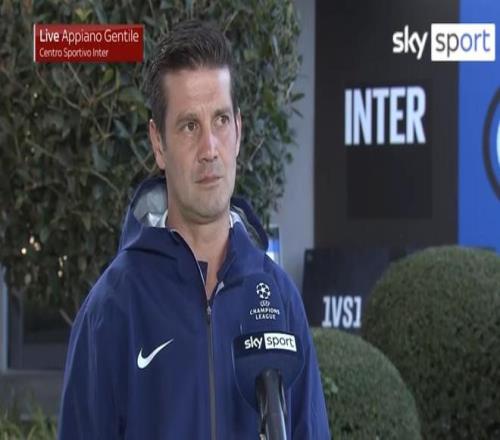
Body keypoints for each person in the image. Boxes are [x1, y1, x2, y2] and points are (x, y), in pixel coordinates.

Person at [58, 19, 330, 439]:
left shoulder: (279, 299)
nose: (209, 148)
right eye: (189, 126)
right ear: (158, 143)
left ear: (238, 131)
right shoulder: (112, 310)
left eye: (220, 120)